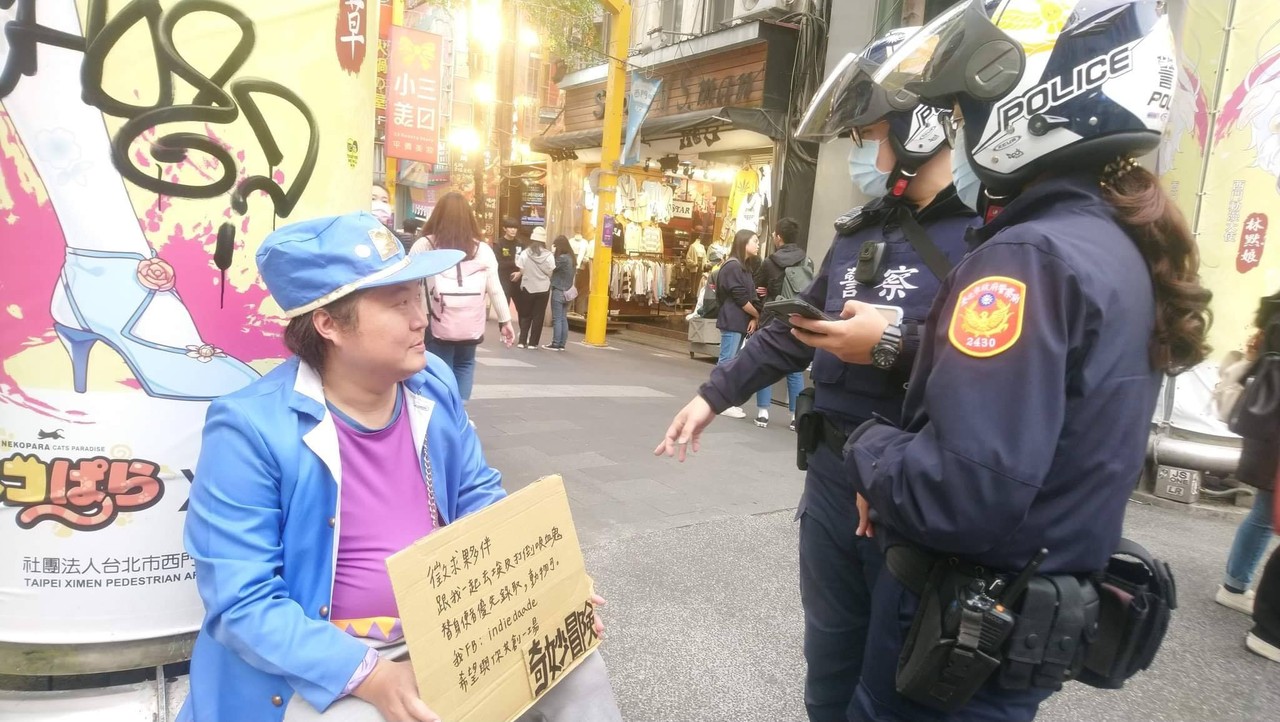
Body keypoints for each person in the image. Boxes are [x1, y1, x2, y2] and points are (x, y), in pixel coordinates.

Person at [790, 2, 1211, 719]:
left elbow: (960, 492)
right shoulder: (1113, 243)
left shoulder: (1024, 258)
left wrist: (869, 447)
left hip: (958, 629)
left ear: (1033, 101)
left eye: (964, 112)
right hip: (1019, 626)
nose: (960, 132)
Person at [179, 211, 621, 722]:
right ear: (328, 324)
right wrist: (371, 676)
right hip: (324, 658)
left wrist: (544, 584)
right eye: (398, 303)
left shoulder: (431, 385)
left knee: (579, 670)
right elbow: (242, 601)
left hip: (446, 628)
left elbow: (479, 497)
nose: (421, 319)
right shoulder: (249, 429)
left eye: (418, 296)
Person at [656, 24, 973, 721]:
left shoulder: (983, 239)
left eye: (870, 135)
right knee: (827, 667)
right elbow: (794, 331)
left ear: (919, 127)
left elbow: (990, 363)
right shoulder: (860, 231)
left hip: (907, 486)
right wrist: (713, 396)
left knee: (892, 684)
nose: (863, 152)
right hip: (831, 475)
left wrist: (891, 345)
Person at [411, 192, 516, 401]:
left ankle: (445, 409)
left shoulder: (425, 245)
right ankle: (461, 410)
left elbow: (410, 284)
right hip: (470, 322)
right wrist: (505, 321)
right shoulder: (482, 249)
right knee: (465, 364)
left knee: (440, 366)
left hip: (435, 319)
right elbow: (495, 288)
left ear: (437, 216)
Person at [1216, 291, 1280, 614]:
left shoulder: (1274, 314)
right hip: (1273, 429)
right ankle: (1234, 585)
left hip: (1266, 425)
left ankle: (1236, 582)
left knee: (1265, 511)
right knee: (1266, 513)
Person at [752, 217, 814, 429]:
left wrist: (767, 292)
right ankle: (796, 417)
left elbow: (757, 287)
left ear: (778, 237)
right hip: (796, 318)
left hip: (773, 317)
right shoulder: (807, 261)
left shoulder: (770, 262)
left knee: (765, 364)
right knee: (794, 369)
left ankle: (763, 413)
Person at [713, 229, 764, 420]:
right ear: (743, 242)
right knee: (726, 361)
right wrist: (757, 315)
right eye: (754, 241)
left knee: (731, 362)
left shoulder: (744, 266)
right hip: (732, 320)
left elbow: (749, 296)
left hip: (739, 320)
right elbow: (740, 297)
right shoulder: (733, 266)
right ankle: (720, 401)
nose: (757, 245)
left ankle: (725, 401)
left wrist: (754, 318)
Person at [514, 226, 555, 349]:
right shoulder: (549, 255)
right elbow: (551, 272)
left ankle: (522, 341)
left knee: (525, 315)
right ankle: (533, 343)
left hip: (528, 287)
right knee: (538, 316)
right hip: (543, 289)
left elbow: (521, 269)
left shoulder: (525, 253)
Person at [546, 235, 577, 351]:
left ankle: (555, 343)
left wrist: (552, 253)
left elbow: (551, 266)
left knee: (557, 319)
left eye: (555, 246)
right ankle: (562, 344)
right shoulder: (572, 258)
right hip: (568, 292)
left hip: (559, 290)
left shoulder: (562, 258)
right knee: (563, 318)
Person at [495, 218, 523, 325]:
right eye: (510, 227)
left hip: (517, 279)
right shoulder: (499, 243)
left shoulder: (520, 244)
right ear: (504, 229)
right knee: (503, 307)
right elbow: (498, 263)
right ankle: (503, 330)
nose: (513, 230)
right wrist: (514, 263)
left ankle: (523, 332)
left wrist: (520, 272)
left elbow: (523, 261)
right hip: (503, 279)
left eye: (515, 228)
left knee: (522, 308)